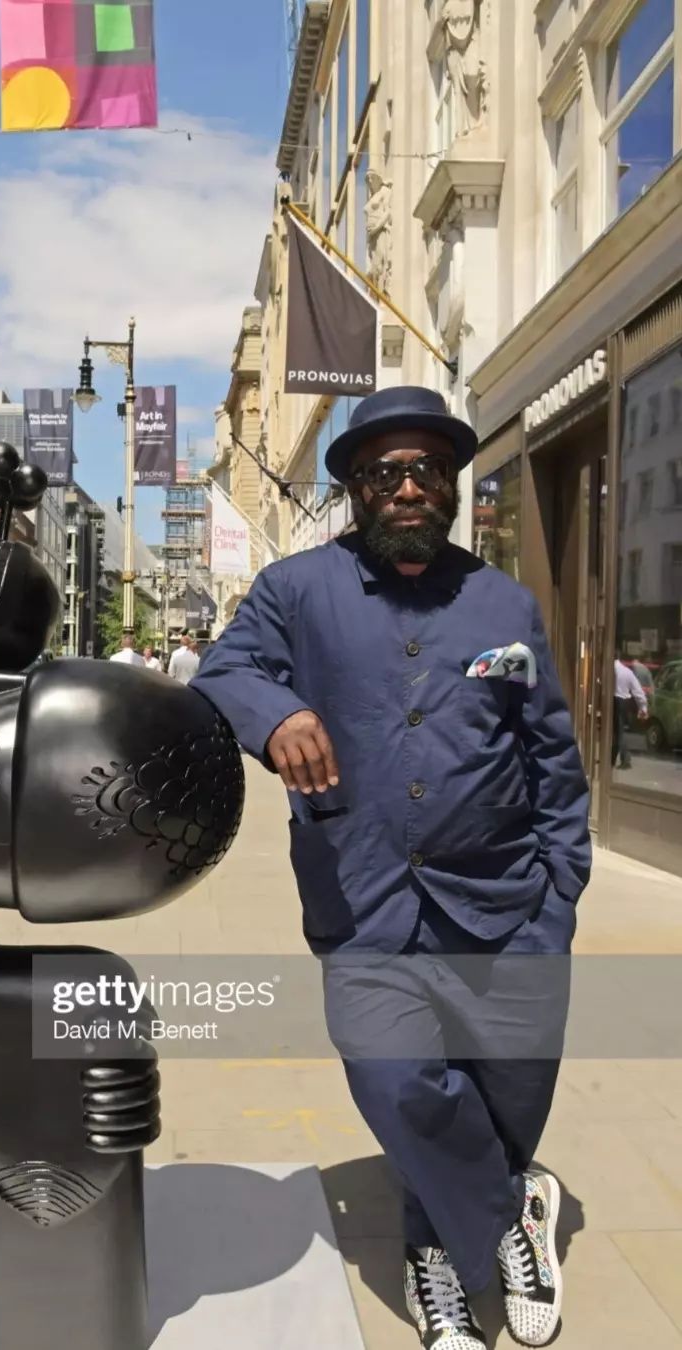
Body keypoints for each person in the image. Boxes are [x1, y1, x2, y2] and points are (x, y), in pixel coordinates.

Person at [192, 386, 590, 1350]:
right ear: (356, 489)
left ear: (449, 484)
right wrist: (279, 714)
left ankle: (436, 1252)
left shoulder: (504, 604)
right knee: (400, 1083)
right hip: (361, 898)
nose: (407, 487)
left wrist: (562, 891)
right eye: (384, 473)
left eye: (426, 470)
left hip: (509, 906)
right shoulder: (295, 590)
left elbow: (550, 752)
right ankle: (510, 1215)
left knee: (506, 1098)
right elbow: (224, 672)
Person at [612, 650, 648, 769]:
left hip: (612, 701)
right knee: (619, 731)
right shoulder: (627, 672)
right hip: (623, 702)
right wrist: (643, 707)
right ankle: (617, 758)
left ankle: (618, 759)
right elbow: (638, 691)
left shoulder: (607, 669)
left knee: (615, 732)